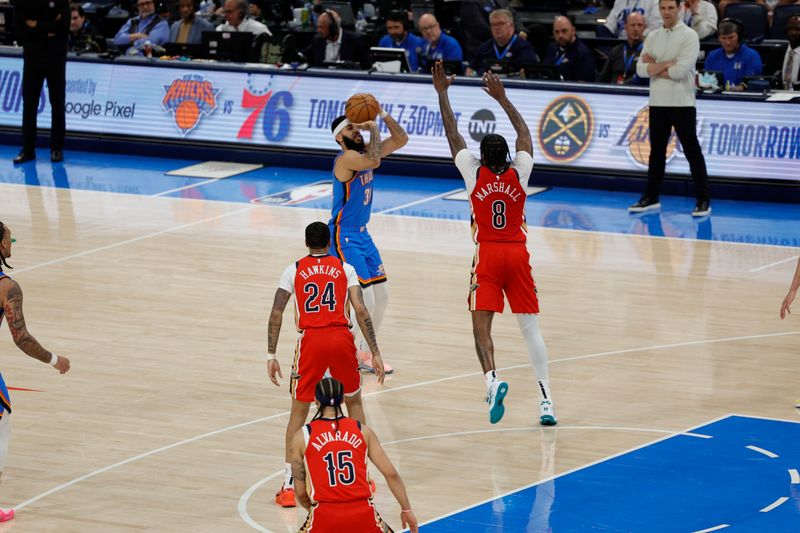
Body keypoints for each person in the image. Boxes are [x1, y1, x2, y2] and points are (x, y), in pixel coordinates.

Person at [432, 61, 557, 426]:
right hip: (517, 254)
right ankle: (546, 401)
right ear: (506, 156)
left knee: (480, 327)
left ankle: (491, 381)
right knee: (530, 330)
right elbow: (524, 135)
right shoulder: (520, 171)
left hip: (487, 254)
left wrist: (443, 93)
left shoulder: (473, 173)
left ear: (481, 157)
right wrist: (502, 98)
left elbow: (452, 132)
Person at [267, 222, 385, 508]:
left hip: (311, 342)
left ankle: (289, 486)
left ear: (306, 243)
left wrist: (270, 354)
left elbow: (277, 312)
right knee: (354, 405)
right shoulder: (345, 269)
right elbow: (360, 309)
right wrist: (375, 351)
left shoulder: (293, 269)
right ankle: (362, 477)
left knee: (298, 412)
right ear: (329, 243)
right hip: (341, 339)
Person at [0, 221, 72, 522]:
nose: (11, 242)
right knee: (1, 427)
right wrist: (54, 359)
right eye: (9, 239)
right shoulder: (7, 287)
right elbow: (22, 338)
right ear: (2, 246)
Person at [327, 107, 408, 375]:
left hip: (362, 234)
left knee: (382, 297)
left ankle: (361, 351)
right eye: (350, 129)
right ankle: (354, 353)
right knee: (367, 299)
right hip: (344, 235)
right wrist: (372, 127)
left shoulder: (363, 154)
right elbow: (374, 161)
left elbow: (401, 139)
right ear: (340, 138)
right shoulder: (346, 158)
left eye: (356, 126)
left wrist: (382, 114)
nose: (356, 130)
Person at [290, 377, 419, 532]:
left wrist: (319, 512)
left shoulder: (301, 437)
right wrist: (406, 510)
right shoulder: (363, 431)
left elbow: (301, 492)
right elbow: (391, 474)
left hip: (325, 515)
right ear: (343, 399)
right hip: (363, 514)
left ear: (315, 400)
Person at [630, 0, 711, 217]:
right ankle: (651, 197)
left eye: (670, 8)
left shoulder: (689, 36)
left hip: (682, 103)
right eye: (663, 8)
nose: (666, 12)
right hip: (657, 102)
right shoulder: (653, 36)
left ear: (679, 9)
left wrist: (655, 66)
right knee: (656, 152)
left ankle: (703, 200)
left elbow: (681, 72)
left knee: (692, 151)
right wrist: (667, 64)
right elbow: (640, 70)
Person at [13, 0, 69, 165]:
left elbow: (63, 26)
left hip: (56, 57)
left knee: (57, 102)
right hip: (32, 57)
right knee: (29, 104)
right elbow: (18, 28)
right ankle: (28, 150)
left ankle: (57, 148)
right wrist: (49, 27)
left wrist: (35, 24)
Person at [466, 9, 538, 76]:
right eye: (494, 24)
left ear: (511, 26)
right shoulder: (485, 47)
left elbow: (531, 73)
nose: (497, 27)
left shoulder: (523, 47)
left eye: (501, 23)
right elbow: (470, 69)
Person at [704, 18, 763, 91]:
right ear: (719, 39)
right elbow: (706, 81)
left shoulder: (752, 56)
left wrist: (739, 88)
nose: (728, 42)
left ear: (739, 37)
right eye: (723, 38)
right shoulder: (712, 56)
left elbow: (752, 82)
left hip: (742, 99)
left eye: (731, 37)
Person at [300, 10, 368, 68]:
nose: (318, 30)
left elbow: (365, 66)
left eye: (322, 27)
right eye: (318, 27)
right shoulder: (318, 40)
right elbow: (303, 55)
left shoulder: (354, 41)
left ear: (334, 28)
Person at [460, 0, 525, 60]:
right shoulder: (469, 2)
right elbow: (479, 28)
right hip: (484, 48)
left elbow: (513, 16)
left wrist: (521, 31)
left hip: (508, 45)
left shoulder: (502, 1)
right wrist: (509, 38)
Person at [544, 16, 597, 82]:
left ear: (573, 31)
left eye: (564, 31)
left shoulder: (583, 53)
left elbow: (583, 84)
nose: (560, 35)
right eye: (557, 32)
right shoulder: (551, 48)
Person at [599, 12, 647, 84]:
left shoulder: (648, 51)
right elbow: (603, 79)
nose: (636, 29)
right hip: (613, 91)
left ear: (644, 28)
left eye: (639, 25)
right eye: (633, 25)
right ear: (625, 27)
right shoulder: (616, 51)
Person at [765, 15, 800, 90]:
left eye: (797, 29)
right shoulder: (776, 53)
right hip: (777, 95)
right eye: (790, 29)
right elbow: (768, 78)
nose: (793, 32)